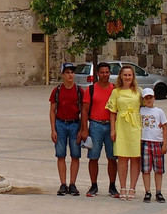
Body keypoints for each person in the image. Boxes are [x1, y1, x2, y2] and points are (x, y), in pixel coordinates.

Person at [80, 61, 119, 197]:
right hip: (95, 125)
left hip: (111, 125)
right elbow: (84, 111)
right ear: (97, 74)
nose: (104, 75)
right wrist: (84, 129)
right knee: (93, 157)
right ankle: (94, 185)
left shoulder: (114, 89)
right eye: (102, 72)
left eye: (107, 72)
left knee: (112, 157)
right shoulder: (90, 90)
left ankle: (112, 186)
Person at [105, 63, 142, 200]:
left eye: (130, 75)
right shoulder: (116, 92)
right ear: (121, 76)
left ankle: (132, 188)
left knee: (135, 158)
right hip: (121, 126)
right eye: (125, 75)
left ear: (133, 77)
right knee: (122, 158)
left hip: (135, 126)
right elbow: (112, 112)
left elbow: (146, 107)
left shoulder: (138, 91)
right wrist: (113, 130)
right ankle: (122, 187)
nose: (127, 77)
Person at [49, 62, 83, 195]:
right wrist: (53, 129)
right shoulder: (57, 91)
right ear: (62, 74)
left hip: (75, 124)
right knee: (61, 154)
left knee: (75, 154)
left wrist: (82, 129)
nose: (70, 75)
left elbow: (83, 111)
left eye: (72, 73)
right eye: (68, 72)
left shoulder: (79, 91)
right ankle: (63, 183)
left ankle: (72, 183)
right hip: (60, 124)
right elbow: (52, 110)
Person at [139, 87, 167, 203]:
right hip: (144, 141)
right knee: (146, 169)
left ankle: (158, 191)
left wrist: (165, 144)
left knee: (158, 169)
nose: (149, 100)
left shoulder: (159, 112)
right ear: (143, 99)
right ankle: (147, 191)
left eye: (150, 97)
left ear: (154, 98)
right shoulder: (140, 111)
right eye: (146, 98)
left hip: (157, 142)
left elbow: (165, 128)